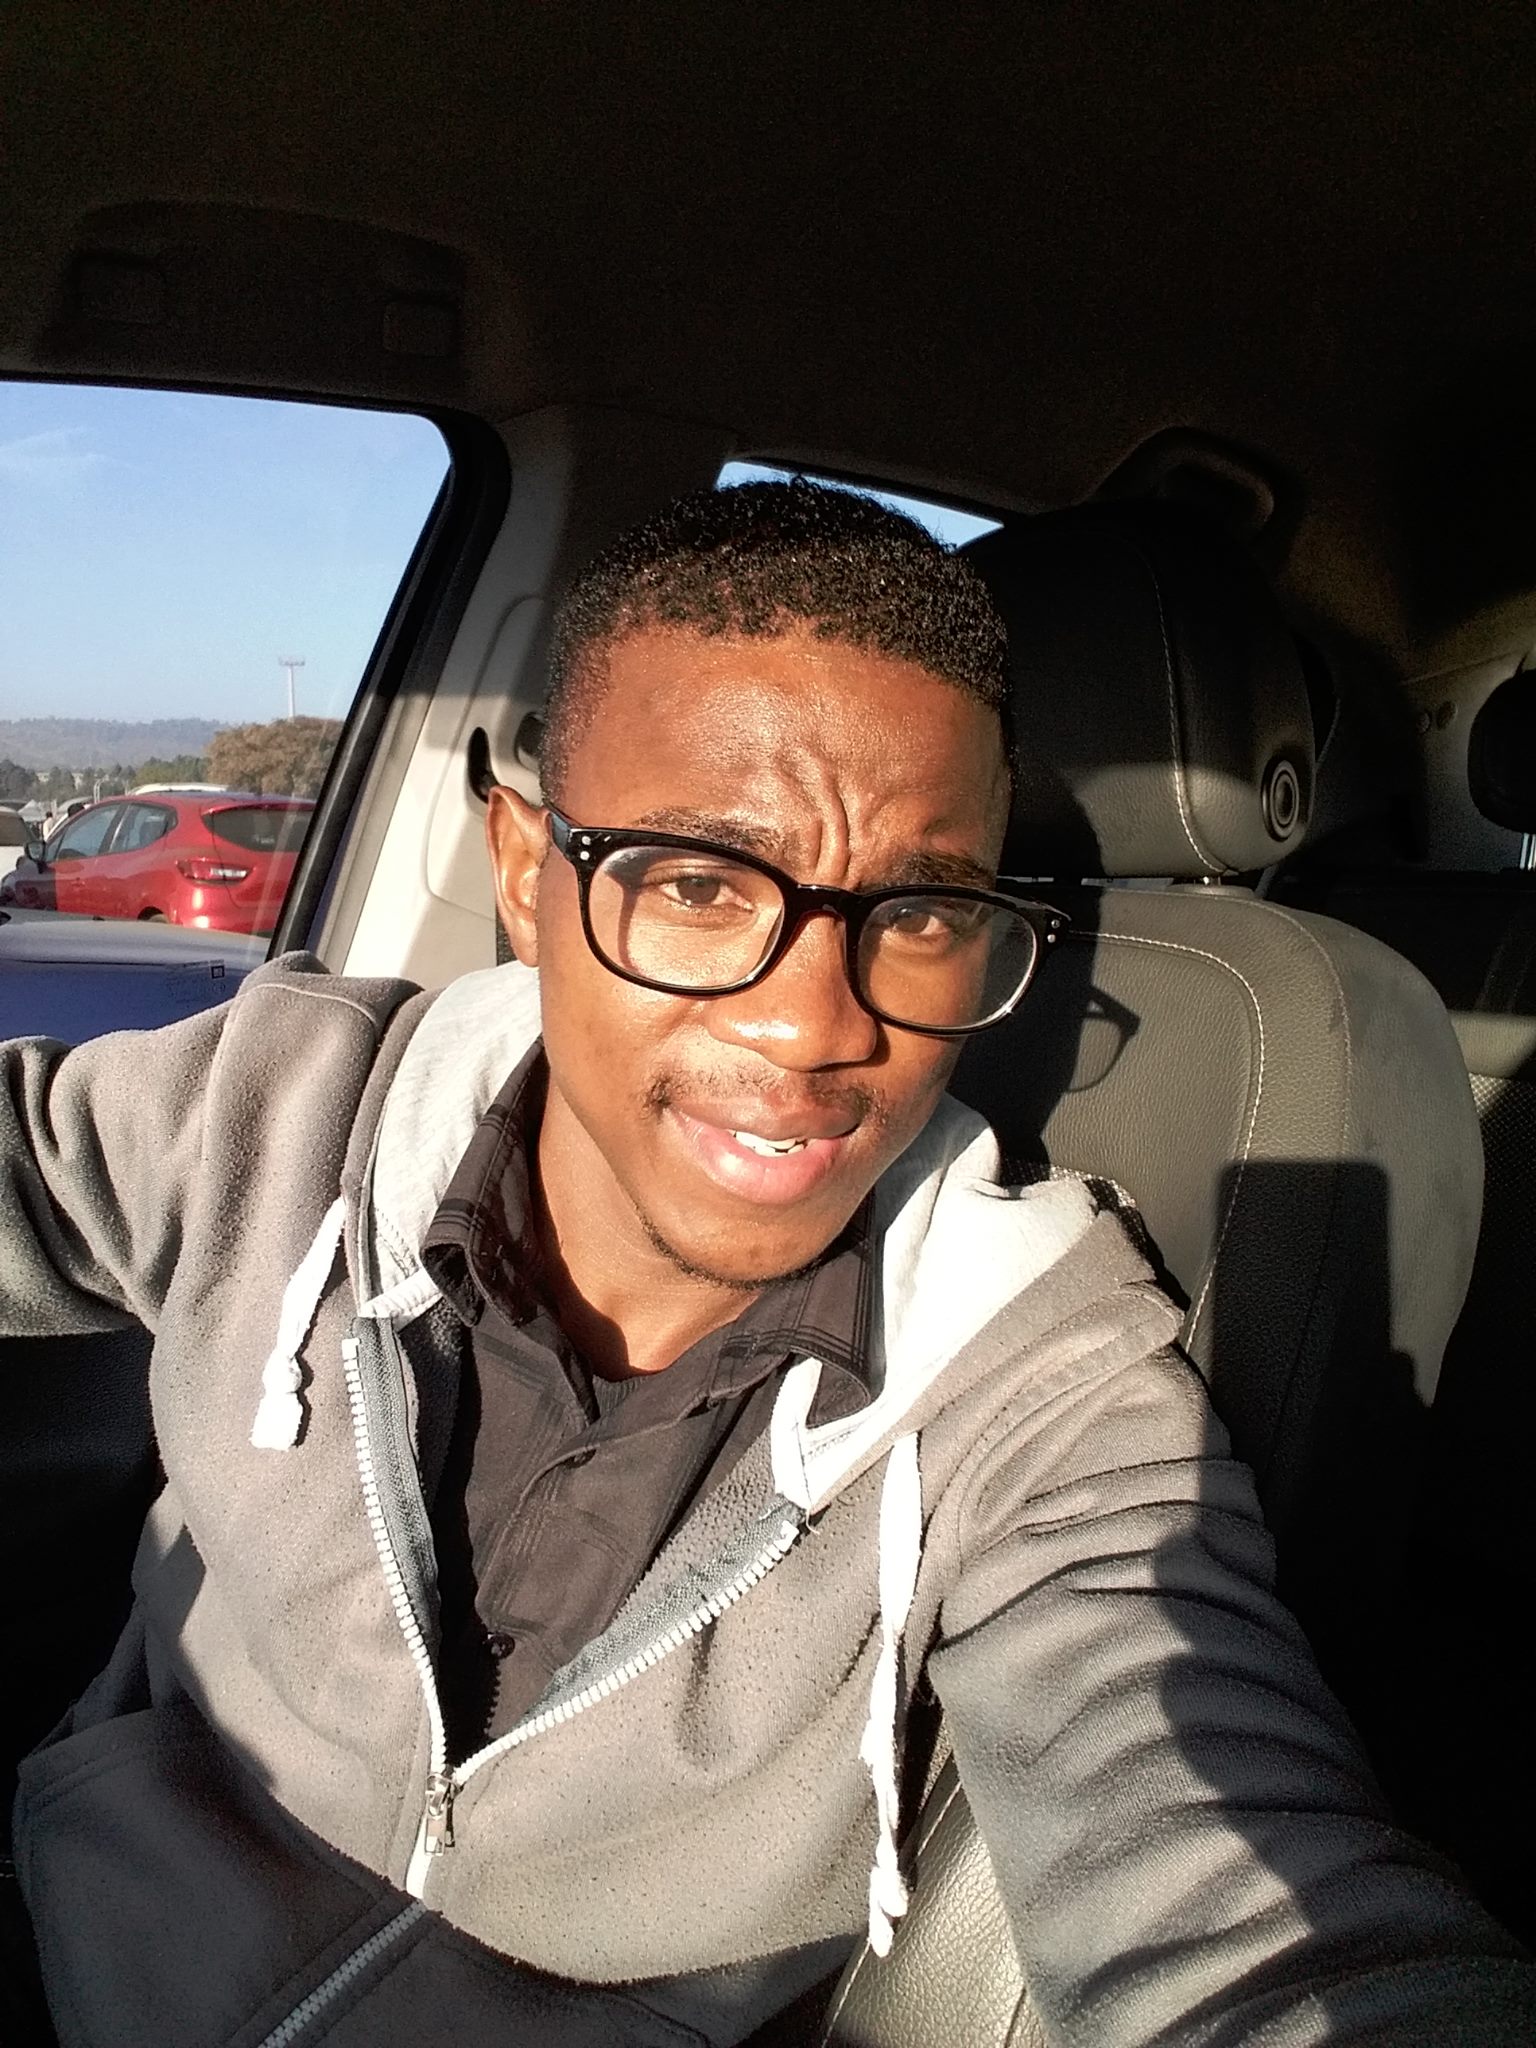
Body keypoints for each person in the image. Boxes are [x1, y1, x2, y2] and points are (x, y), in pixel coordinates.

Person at [1, 481, 1532, 2047]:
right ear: (527, 874)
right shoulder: (280, 1107)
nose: (813, 1029)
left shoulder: (1043, 1381)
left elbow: (1226, 1876)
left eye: (921, 912)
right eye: (696, 885)